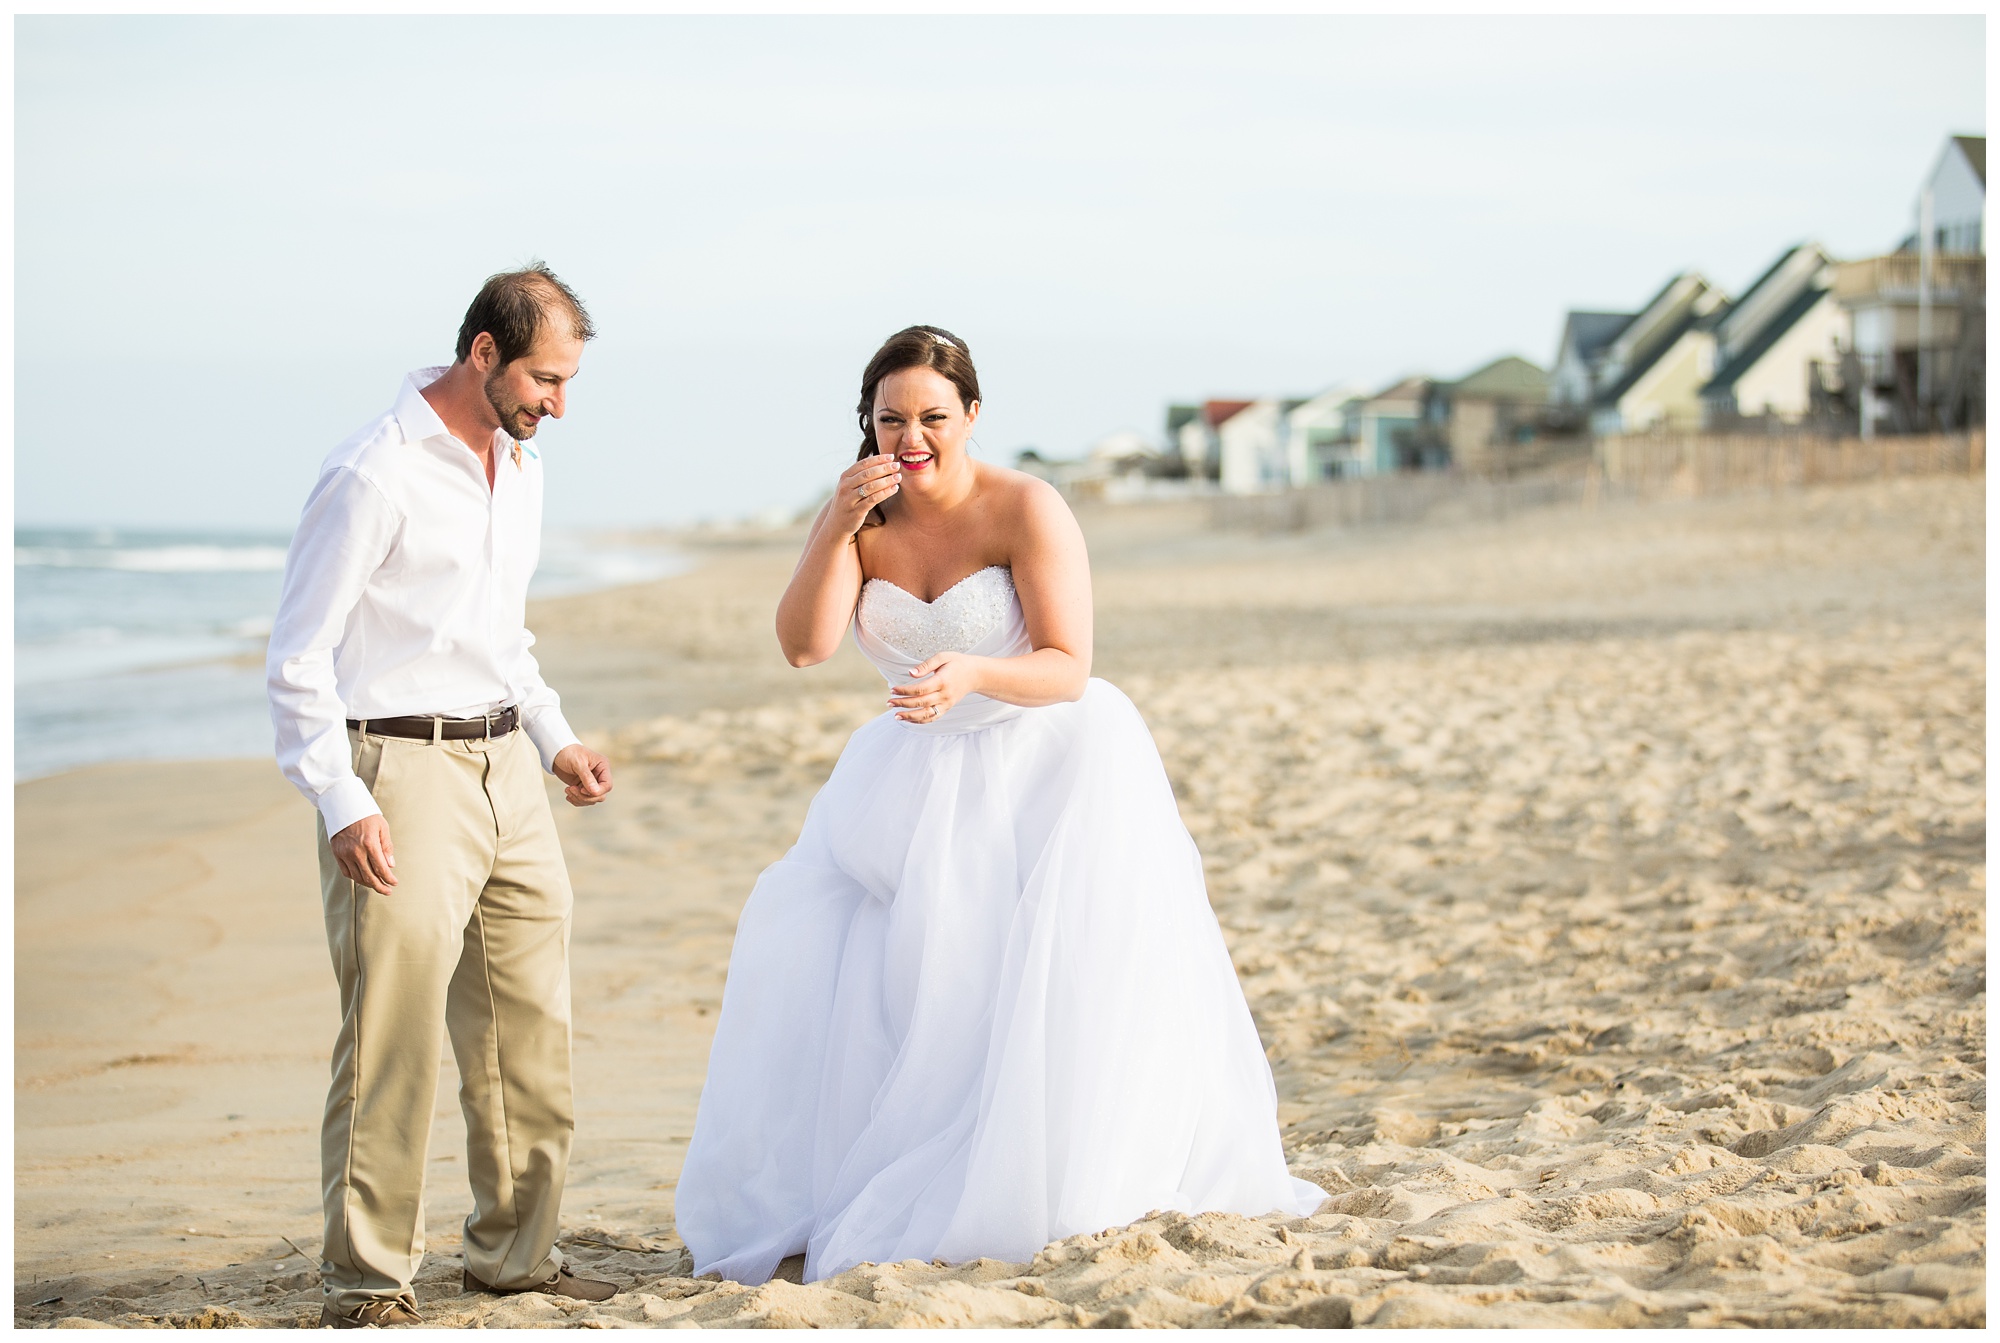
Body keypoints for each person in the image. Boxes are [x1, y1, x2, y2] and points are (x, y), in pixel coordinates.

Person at [674, 325, 1324, 1285]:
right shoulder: (866, 516)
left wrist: (973, 669)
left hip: (1040, 765)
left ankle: (1027, 1178)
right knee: (891, 983)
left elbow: (1068, 666)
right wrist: (833, 525)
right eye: (890, 419)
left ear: (970, 416)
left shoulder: (1026, 505)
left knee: (1017, 982)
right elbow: (806, 645)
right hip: (910, 776)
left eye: (933, 417)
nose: (912, 438)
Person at [267, 263, 620, 1328]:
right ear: (483, 353)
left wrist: (554, 741)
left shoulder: (519, 464)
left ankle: (515, 1251)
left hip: (507, 762)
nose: (557, 402)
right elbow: (297, 659)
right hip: (397, 770)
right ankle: (368, 1279)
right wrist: (341, 798)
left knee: (527, 1024)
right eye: (546, 378)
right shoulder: (371, 474)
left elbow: (499, 634)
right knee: (394, 1033)